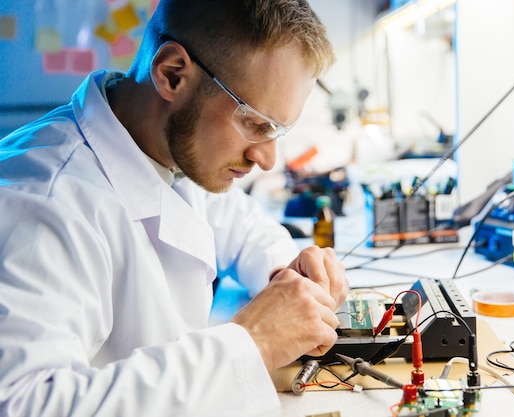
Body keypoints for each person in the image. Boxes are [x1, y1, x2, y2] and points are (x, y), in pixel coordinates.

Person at [0, 0, 349, 416]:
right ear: (172, 74)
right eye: (257, 124)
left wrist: (287, 272)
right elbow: (25, 403)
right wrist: (250, 344)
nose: (269, 159)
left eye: (278, 130)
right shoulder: (45, 201)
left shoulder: (167, 146)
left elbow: (241, 224)